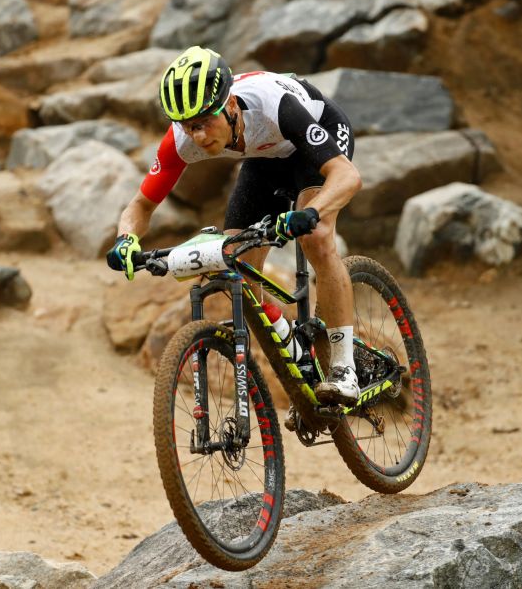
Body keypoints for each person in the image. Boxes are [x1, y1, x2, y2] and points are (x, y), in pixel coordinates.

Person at [106, 46, 363, 407]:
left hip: (314, 134)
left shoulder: (272, 105)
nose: (196, 135)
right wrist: (125, 239)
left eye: (204, 123)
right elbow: (141, 205)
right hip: (264, 156)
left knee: (316, 239)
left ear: (230, 106)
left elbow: (347, 176)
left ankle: (343, 369)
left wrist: (312, 212)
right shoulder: (182, 139)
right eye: (186, 125)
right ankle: (294, 346)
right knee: (235, 264)